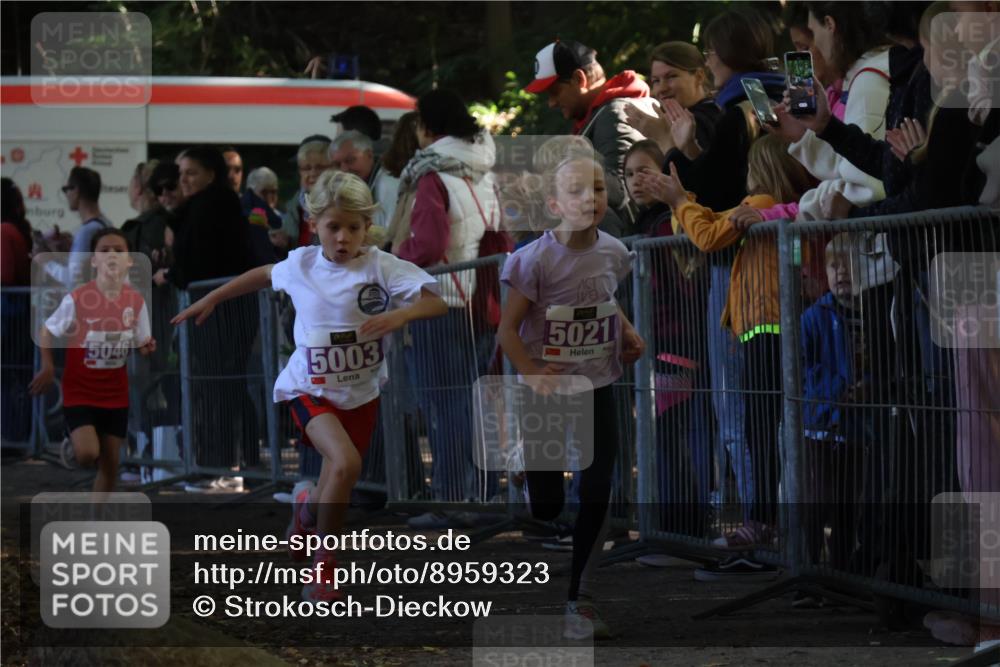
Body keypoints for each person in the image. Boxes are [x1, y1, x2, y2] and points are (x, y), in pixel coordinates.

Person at [172, 170, 447, 602]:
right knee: (346, 464)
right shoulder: (302, 264)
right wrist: (212, 298)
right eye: (333, 227)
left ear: (367, 226)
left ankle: (304, 509)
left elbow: (437, 302)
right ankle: (324, 570)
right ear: (314, 223)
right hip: (308, 389)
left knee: (335, 481)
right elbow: (262, 274)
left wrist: (400, 315)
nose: (343, 238)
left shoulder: (381, 266)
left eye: (353, 227)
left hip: (360, 394)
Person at [642, 134, 818, 578]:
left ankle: (764, 526)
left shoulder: (760, 203)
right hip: (770, 324)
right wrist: (684, 202)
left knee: (763, 427)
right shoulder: (772, 206)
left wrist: (679, 200)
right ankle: (774, 529)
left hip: (766, 326)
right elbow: (708, 224)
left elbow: (706, 236)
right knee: (769, 427)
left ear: (761, 169)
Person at [498, 150, 644, 639]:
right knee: (546, 507)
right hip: (546, 387)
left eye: (597, 189)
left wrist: (627, 330)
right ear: (554, 204)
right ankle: (528, 469)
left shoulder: (614, 251)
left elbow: (603, 297)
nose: (589, 198)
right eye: (576, 191)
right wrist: (531, 373)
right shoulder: (533, 260)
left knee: (598, 489)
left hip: (597, 382)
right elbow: (507, 331)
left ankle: (581, 601)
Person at [388, 89, 502, 526]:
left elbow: (429, 244)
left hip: (440, 301)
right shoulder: (481, 169)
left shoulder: (431, 173)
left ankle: (452, 498)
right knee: (475, 403)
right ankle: (483, 496)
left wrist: (392, 259)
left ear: (427, 127)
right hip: (480, 301)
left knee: (445, 405)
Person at [154, 145, 256, 493]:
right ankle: (221, 464)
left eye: (191, 173)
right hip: (215, 310)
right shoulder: (201, 207)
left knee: (219, 388)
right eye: (181, 174)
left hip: (221, 314)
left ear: (211, 174)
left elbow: (200, 262)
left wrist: (171, 275)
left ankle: (223, 466)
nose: (183, 181)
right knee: (215, 388)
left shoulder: (213, 206)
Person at [799, 233, 895, 602]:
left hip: (859, 429)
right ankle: (808, 575)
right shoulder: (814, 316)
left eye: (850, 265)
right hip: (821, 426)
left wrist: (870, 385)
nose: (841, 273)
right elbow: (802, 368)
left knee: (847, 506)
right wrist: (839, 388)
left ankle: (840, 578)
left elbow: (884, 363)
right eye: (834, 266)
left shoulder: (875, 316)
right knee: (817, 501)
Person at [29, 228, 156, 495]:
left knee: (110, 467)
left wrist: (146, 346)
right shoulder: (78, 298)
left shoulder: (135, 301)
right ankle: (73, 437)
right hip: (80, 392)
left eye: (119, 251)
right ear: (94, 260)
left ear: (129, 260)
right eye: (104, 250)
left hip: (115, 395)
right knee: (87, 454)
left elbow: (141, 341)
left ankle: (96, 517)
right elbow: (46, 330)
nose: (112, 255)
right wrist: (48, 366)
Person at [524, 39, 657, 229]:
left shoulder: (614, 114)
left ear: (579, 79)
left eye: (555, 91)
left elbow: (623, 193)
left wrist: (560, 173)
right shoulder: (598, 116)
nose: (551, 103)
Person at [624, 42, 721, 161]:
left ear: (699, 76)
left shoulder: (704, 121)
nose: (662, 88)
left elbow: (686, 171)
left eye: (671, 76)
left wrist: (662, 137)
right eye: (656, 81)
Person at [1, 178, 35, 445]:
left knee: (7, 377)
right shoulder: (14, 230)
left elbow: (5, 276)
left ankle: (11, 436)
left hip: (9, 318)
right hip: (16, 316)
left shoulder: (4, 231)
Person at [45, 166, 113, 288]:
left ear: (76, 191)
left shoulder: (86, 232)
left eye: (66, 189)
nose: (66, 195)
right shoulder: (106, 223)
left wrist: (45, 261)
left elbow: (72, 279)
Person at [329, 130, 400, 229]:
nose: (343, 169)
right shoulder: (341, 187)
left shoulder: (389, 185)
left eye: (350, 160)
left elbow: (393, 233)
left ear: (369, 155)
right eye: (337, 165)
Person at [277, 136, 332, 251]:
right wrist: (281, 243)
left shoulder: (341, 203)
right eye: (306, 168)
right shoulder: (294, 206)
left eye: (320, 167)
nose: (312, 173)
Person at [241, 166, 283, 265]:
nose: (270, 197)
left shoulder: (283, 218)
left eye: (273, 192)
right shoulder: (244, 218)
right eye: (264, 192)